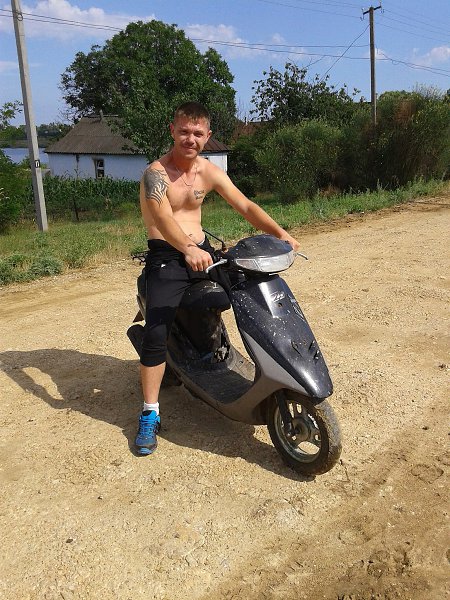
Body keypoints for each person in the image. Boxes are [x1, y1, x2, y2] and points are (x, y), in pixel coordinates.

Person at [135, 101, 300, 456]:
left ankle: (274, 366)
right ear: (172, 131)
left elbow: (245, 205)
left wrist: (280, 233)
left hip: (202, 251)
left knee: (252, 291)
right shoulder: (155, 174)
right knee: (156, 332)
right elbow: (163, 219)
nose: (190, 139)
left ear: (207, 136)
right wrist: (185, 248)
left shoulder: (208, 171)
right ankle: (149, 413)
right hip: (167, 256)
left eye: (197, 133)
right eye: (183, 131)